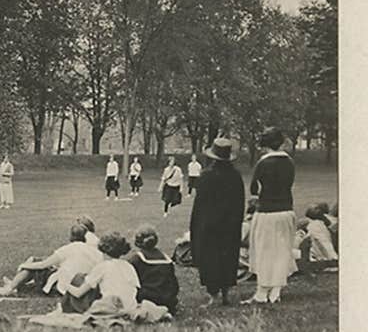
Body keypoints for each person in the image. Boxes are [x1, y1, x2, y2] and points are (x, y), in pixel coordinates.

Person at [188, 137, 245, 306]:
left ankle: (213, 295)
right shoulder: (236, 176)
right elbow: (240, 201)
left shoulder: (206, 176)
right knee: (228, 256)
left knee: (210, 258)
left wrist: (196, 225)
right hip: (230, 224)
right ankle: (226, 293)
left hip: (209, 225)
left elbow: (200, 204)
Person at [243, 127, 296, 305]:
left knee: (264, 252)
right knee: (281, 251)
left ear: (264, 145)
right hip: (286, 211)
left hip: (267, 212)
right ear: (280, 143)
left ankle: (262, 291)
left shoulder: (262, 163)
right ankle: (276, 291)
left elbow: (254, 190)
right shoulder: (289, 162)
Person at [0, 222, 102, 297]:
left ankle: (9, 289)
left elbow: (43, 265)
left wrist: (24, 265)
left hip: (64, 286)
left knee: (35, 262)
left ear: (71, 237)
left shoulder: (68, 249)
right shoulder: (96, 252)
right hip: (81, 285)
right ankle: (15, 284)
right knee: (42, 265)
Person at [64, 232, 140, 313]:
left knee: (79, 279)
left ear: (103, 250)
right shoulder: (128, 266)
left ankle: (66, 307)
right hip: (130, 307)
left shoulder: (102, 267)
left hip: (111, 307)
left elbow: (78, 293)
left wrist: (65, 285)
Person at [126, 225, 179, 314]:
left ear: (137, 242)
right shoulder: (166, 259)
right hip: (167, 299)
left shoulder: (137, 259)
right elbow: (174, 284)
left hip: (146, 298)